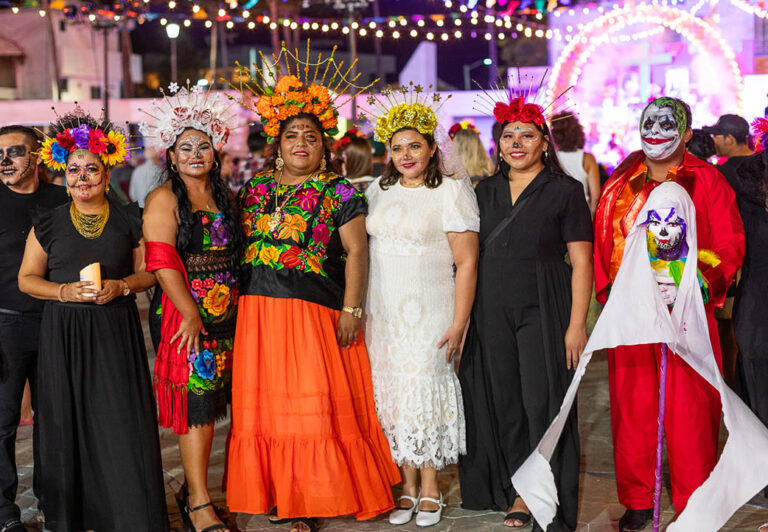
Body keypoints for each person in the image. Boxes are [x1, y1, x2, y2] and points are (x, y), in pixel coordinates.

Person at [224, 51, 400, 532]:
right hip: (258, 314)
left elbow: (358, 254)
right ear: (276, 144)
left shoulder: (342, 193)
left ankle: (312, 498)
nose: (301, 143)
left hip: (314, 315)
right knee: (268, 411)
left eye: (311, 136)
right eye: (291, 136)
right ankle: (282, 498)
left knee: (310, 408)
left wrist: (352, 309)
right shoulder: (255, 189)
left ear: (326, 145)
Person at [594, 97, 744, 531]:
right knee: (633, 407)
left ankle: (694, 499)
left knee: (692, 410)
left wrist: (697, 282)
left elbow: (730, 242)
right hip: (633, 314)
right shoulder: (621, 179)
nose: (656, 128)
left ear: (686, 131)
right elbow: (603, 236)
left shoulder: (708, 179)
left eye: (666, 121)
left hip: (687, 315)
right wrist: (618, 293)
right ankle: (639, 501)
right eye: (648, 121)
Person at [17, 108, 168, 531]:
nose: (82, 178)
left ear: (107, 173)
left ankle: (128, 512)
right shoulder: (46, 223)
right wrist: (62, 291)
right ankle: (71, 515)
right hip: (62, 334)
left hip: (113, 330)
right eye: (74, 170)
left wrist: (123, 286)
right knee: (66, 420)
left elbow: (149, 273)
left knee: (119, 420)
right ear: (64, 175)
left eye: (92, 169)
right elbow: (27, 279)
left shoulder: (128, 218)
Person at [458, 93, 593, 531]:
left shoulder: (565, 191)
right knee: (506, 404)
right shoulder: (485, 191)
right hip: (490, 306)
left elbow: (582, 263)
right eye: (509, 135)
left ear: (544, 144)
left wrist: (576, 325)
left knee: (543, 403)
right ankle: (518, 491)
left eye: (527, 135)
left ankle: (540, 495)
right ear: (498, 144)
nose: (516, 143)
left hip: (544, 305)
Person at [363, 92, 480, 527]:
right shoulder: (377, 189)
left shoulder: (450, 192)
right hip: (384, 311)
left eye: (414, 145)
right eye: (396, 148)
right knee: (392, 397)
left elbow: (467, 261)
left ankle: (431, 489)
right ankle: (406, 487)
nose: (405, 155)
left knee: (423, 392)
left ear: (432, 148)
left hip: (431, 309)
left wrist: (459, 321)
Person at [139, 83, 242, 532]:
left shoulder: (226, 196)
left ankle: (216, 491)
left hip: (231, 316)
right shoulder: (163, 198)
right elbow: (160, 261)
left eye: (203, 146)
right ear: (173, 156)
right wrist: (190, 312)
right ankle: (199, 502)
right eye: (186, 148)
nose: (195, 153)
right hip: (188, 317)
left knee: (224, 403)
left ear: (215, 153)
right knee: (198, 405)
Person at [0, 125, 67, 532]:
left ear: (37, 157)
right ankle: (4, 512)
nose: (4, 160)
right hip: (5, 324)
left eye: (14, 151)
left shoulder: (61, 200)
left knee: (57, 419)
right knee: (2, 422)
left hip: (57, 323)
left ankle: (54, 503)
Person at [703, 114, 753, 388]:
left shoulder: (721, 174)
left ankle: (731, 386)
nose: (714, 142)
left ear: (730, 139)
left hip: (737, 261)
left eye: (717, 137)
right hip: (757, 261)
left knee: (729, 327)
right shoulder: (761, 165)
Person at [550, 112, 602, 213]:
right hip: (581, 212)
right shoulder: (587, 159)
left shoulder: (551, 158)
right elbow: (596, 197)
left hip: (556, 214)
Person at [229, 128, 267, 193]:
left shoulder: (240, 165)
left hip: (242, 201)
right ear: (266, 146)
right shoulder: (267, 163)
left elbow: (233, 188)